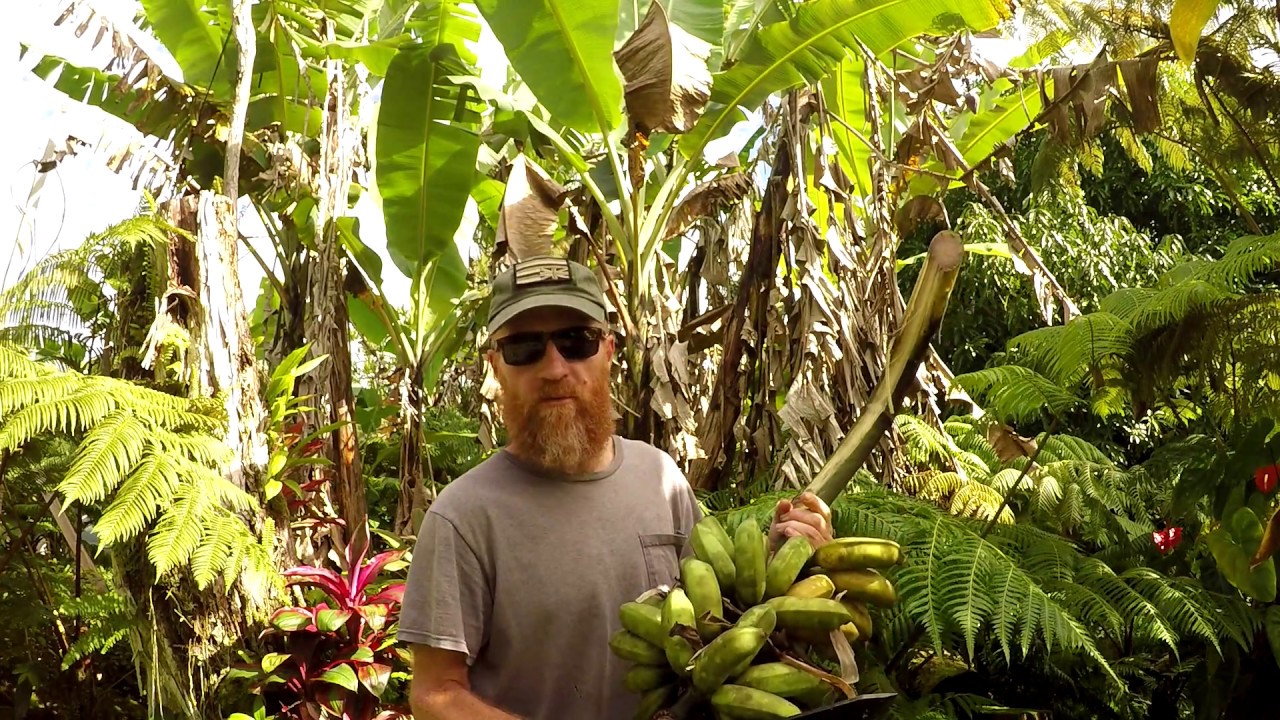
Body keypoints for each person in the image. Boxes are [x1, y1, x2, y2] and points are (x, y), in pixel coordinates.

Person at [400, 255, 834, 720]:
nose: (554, 367)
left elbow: (718, 620)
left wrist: (780, 559)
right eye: (524, 348)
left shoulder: (660, 477)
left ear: (608, 350)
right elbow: (435, 694)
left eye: (576, 341)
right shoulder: (465, 515)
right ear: (496, 366)